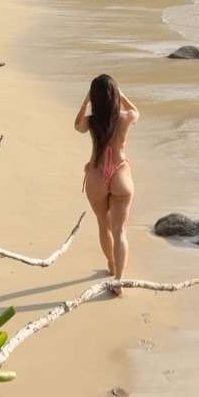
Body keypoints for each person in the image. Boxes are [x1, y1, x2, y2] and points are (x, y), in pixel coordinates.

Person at [75, 75, 139, 295]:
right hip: (120, 173)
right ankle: (119, 281)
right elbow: (136, 112)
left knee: (104, 224)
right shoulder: (124, 118)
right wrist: (121, 96)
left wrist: (86, 101)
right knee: (120, 230)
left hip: (97, 175)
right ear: (114, 96)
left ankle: (111, 264)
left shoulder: (92, 120)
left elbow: (78, 126)